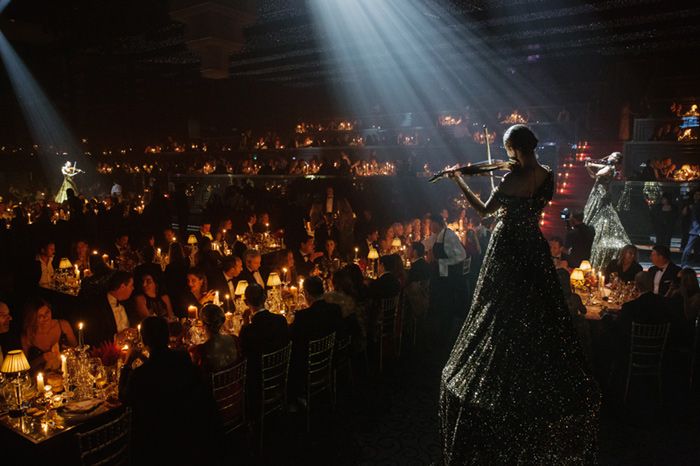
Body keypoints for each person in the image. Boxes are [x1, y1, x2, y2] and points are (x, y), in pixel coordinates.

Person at [440, 124, 598, 464]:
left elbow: (485, 213)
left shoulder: (510, 180)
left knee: (498, 309)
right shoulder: (548, 176)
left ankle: (503, 384)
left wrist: (459, 180)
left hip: (508, 246)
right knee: (536, 309)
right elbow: (529, 202)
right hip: (533, 245)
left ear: (514, 147)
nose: (505, 154)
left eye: (507, 148)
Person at [119, 316, 220, 466]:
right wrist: (142, 358)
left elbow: (123, 397)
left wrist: (127, 364)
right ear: (167, 336)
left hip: (157, 440)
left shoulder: (140, 374)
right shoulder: (183, 356)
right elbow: (163, 368)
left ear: (144, 340)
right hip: (188, 428)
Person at [238, 284, 289, 415]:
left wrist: (244, 323)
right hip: (281, 372)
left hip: (258, 382)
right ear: (265, 298)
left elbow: (243, 355)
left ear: (245, 302)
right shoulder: (280, 320)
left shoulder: (247, 330)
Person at [289, 276, 343, 398]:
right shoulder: (335, 309)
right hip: (331, 357)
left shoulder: (302, 317)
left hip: (309, 364)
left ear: (307, 294)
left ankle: (295, 398)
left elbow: (294, 339)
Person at [582, 152, 631, 269]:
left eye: (613, 156)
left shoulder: (609, 168)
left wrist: (588, 166)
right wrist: (590, 163)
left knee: (598, 213)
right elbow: (596, 169)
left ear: (616, 159)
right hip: (598, 192)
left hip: (600, 195)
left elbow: (595, 175)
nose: (610, 156)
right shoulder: (609, 167)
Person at [21, 297, 77, 372]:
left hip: (65, 373)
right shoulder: (28, 335)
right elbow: (24, 367)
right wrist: (41, 358)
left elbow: (76, 350)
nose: (45, 317)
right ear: (33, 318)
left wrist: (66, 353)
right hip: (40, 377)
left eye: (47, 312)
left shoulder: (63, 325)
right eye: (40, 316)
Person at [83, 271, 135, 347]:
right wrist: (116, 337)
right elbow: (92, 335)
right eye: (131, 285)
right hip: (110, 351)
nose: (133, 288)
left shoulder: (129, 304)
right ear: (123, 286)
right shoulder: (98, 306)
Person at [190, 304, 240, 373]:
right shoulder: (234, 339)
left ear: (202, 324)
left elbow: (195, 372)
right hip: (234, 380)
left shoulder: (200, 350)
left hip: (213, 383)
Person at [681, 189, 700, 267]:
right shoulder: (693, 205)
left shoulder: (695, 205)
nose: (697, 196)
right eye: (696, 194)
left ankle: (692, 260)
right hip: (695, 229)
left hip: (695, 228)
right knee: (689, 247)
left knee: (692, 247)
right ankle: (684, 263)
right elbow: (693, 217)